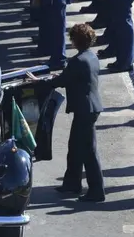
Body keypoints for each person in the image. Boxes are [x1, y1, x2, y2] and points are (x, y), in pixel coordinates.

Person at [27, 23, 105, 202]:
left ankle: (96, 191)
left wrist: (38, 81)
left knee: (88, 151)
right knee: (76, 147)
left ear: (75, 41)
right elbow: (71, 78)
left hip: (85, 109)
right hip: (90, 107)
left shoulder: (77, 61)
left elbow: (61, 80)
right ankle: (72, 183)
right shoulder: (90, 57)